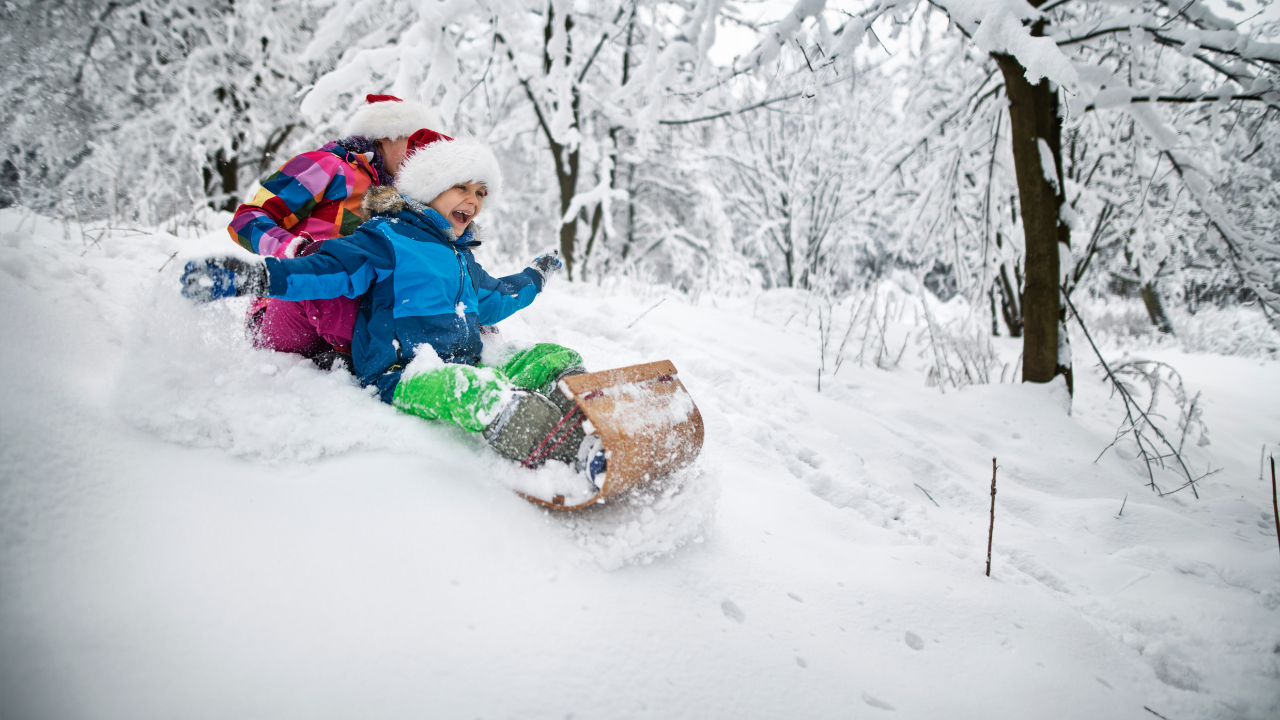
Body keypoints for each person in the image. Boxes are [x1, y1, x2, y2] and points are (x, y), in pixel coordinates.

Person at [184, 131, 603, 480]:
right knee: (477, 393)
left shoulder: (460, 258)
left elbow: (496, 298)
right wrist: (256, 276)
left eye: (480, 192)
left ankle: (600, 426)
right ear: (429, 185)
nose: (473, 200)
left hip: (466, 361)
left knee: (552, 357)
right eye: (462, 186)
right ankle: (568, 459)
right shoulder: (385, 238)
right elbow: (325, 270)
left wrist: (535, 276)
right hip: (403, 374)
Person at [228, 94, 441, 369]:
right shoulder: (329, 166)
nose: (417, 156)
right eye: (412, 144)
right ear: (386, 135)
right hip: (289, 305)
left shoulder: (402, 201)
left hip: (354, 315)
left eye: (423, 151)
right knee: (330, 269)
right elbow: (248, 219)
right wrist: (296, 250)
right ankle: (371, 363)